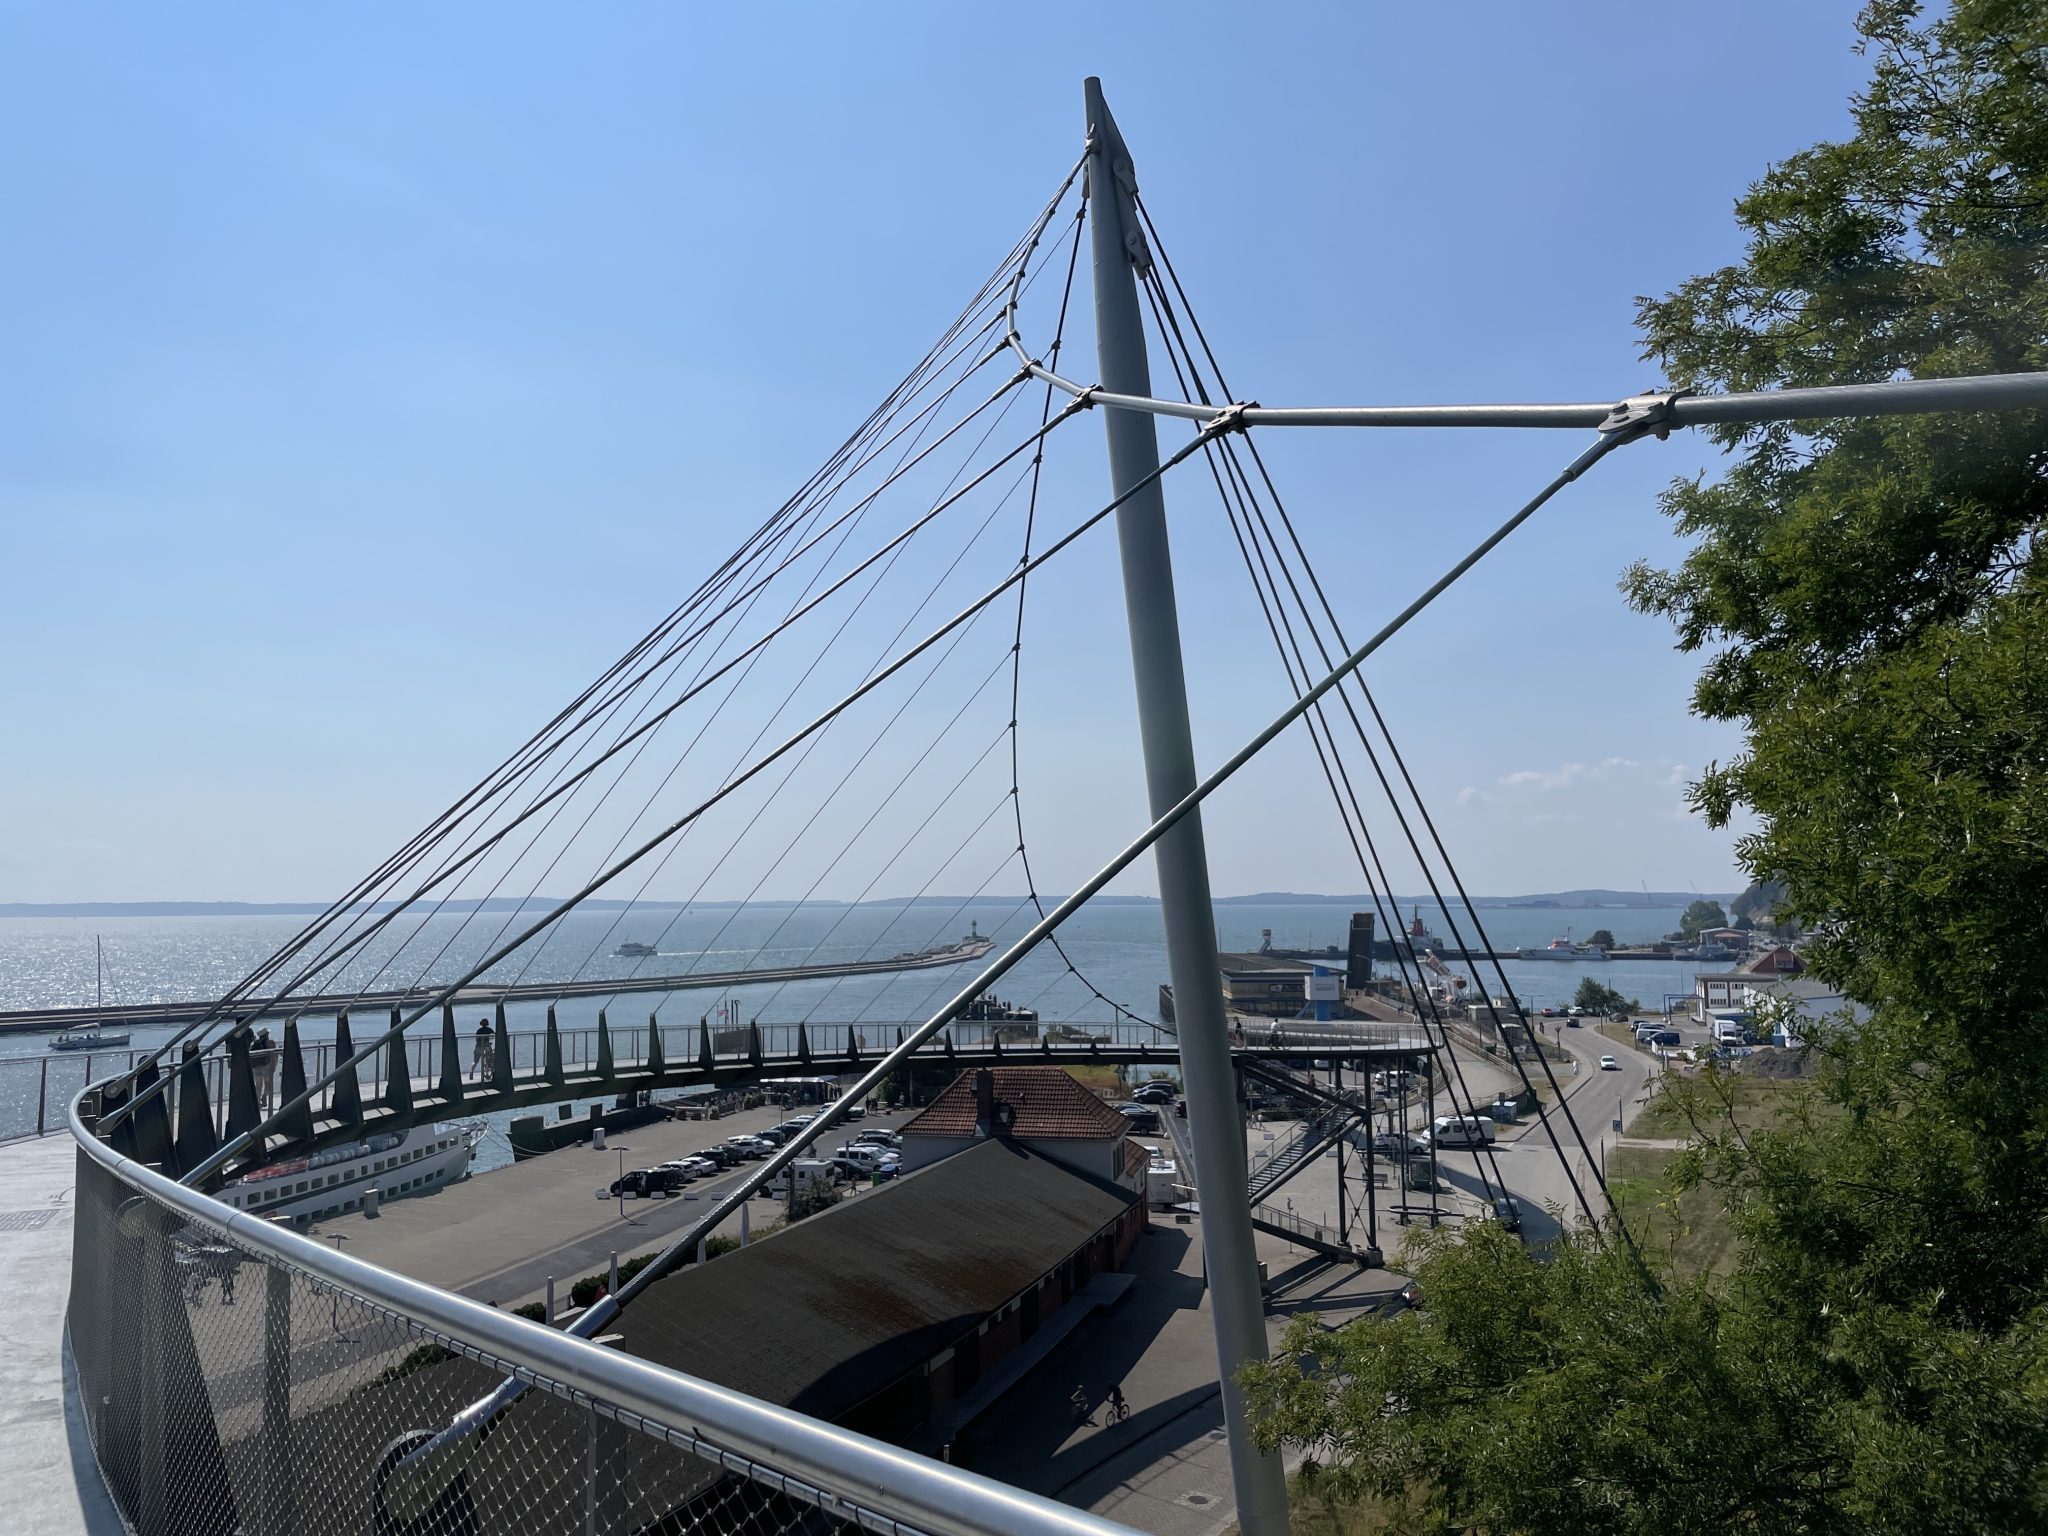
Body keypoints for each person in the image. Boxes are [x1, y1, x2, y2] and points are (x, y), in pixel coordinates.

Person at [250, 1028, 279, 1110]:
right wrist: (273, 1066)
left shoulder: (255, 1044)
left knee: (258, 1084)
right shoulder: (270, 1042)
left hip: (255, 1066)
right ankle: (264, 1096)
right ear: (267, 1034)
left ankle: (258, 1102)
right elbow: (273, 1055)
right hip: (267, 1066)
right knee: (268, 1084)